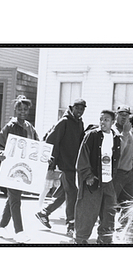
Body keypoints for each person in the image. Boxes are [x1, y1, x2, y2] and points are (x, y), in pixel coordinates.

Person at [0, 95, 39, 243]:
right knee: (16, 200)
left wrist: (45, 158)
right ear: (15, 109)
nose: (22, 112)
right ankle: (19, 232)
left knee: (13, 198)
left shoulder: (30, 127)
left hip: (24, 169)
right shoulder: (10, 126)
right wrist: (0, 154)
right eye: (19, 109)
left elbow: (37, 146)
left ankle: (1, 226)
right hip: (11, 169)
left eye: (25, 109)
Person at [35, 99, 86, 236]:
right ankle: (71, 224)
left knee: (64, 192)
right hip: (65, 164)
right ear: (72, 108)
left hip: (74, 164)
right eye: (77, 108)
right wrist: (52, 161)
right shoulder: (64, 122)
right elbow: (51, 140)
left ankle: (44, 212)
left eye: (82, 109)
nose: (79, 111)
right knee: (72, 193)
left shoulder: (80, 123)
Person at [74, 110, 121, 244]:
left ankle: (105, 240)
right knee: (87, 212)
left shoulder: (116, 138)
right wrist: (88, 175)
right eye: (101, 119)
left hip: (109, 182)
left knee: (108, 213)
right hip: (93, 182)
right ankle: (80, 240)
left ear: (113, 122)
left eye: (106, 120)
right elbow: (82, 157)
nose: (102, 122)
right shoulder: (92, 136)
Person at [112, 106, 133, 203]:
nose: (124, 118)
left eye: (126, 115)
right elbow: (118, 151)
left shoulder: (128, 131)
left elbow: (131, 149)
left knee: (131, 203)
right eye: (121, 115)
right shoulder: (114, 131)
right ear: (116, 115)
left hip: (128, 172)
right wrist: (125, 133)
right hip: (117, 172)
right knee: (111, 201)